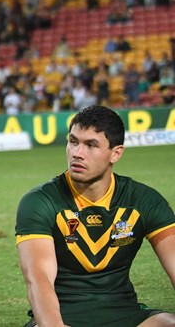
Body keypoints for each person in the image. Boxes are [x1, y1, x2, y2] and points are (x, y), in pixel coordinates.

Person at [16, 105, 175, 327]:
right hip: (63, 316)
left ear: (115, 153)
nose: (77, 153)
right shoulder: (40, 201)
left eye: (91, 145)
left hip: (125, 313)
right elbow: (38, 279)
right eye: (73, 142)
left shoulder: (144, 201)